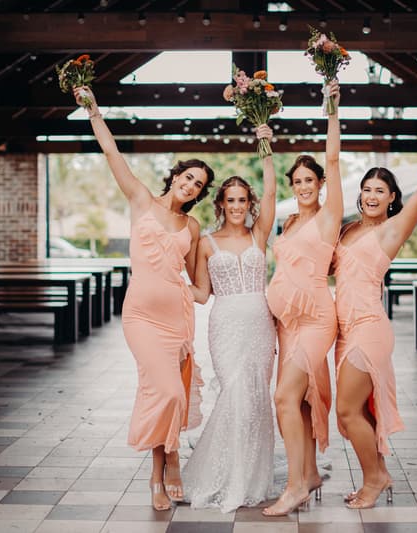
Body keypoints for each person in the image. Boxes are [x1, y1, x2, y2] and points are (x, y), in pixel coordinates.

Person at [73, 86, 214, 512]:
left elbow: (201, 290)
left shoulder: (192, 229)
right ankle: (165, 466)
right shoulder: (140, 200)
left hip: (178, 320)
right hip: (141, 319)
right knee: (168, 392)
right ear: (175, 175)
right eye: (188, 177)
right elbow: (112, 153)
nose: (191, 186)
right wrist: (94, 111)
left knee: (166, 392)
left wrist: (182, 288)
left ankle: (166, 469)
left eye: (200, 185)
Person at [333, 141, 417, 509]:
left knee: (346, 410)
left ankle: (375, 479)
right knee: (363, 411)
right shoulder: (346, 230)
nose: (372, 196)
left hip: (369, 328)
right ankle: (377, 474)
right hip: (345, 330)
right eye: (367, 189)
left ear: (391, 198)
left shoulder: (391, 229)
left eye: (380, 191)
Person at [182, 125, 278, 512]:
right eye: (230, 200)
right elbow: (202, 294)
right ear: (220, 203)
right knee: (235, 394)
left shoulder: (259, 235)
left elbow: (272, 191)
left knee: (256, 400)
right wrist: (166, 279)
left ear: (248, 203)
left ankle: (252, 476)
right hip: (225, 326)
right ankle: (225, 478)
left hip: (260, 323)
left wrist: (266, 144)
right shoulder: (206, 243)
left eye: (242, 200)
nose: (237, 206)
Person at [262, 81, 343, 517]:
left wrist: (332, 105)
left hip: (314, 319)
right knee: (302, 397)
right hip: (287, 323)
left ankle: (294, 486)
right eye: (298, 181)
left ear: (321, 182)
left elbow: (332, 155)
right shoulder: (290, 221)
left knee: (284, 398)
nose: (303, 186)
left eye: (309, 180)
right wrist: (265, 147)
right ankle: (309, 473)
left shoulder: (329, 216)